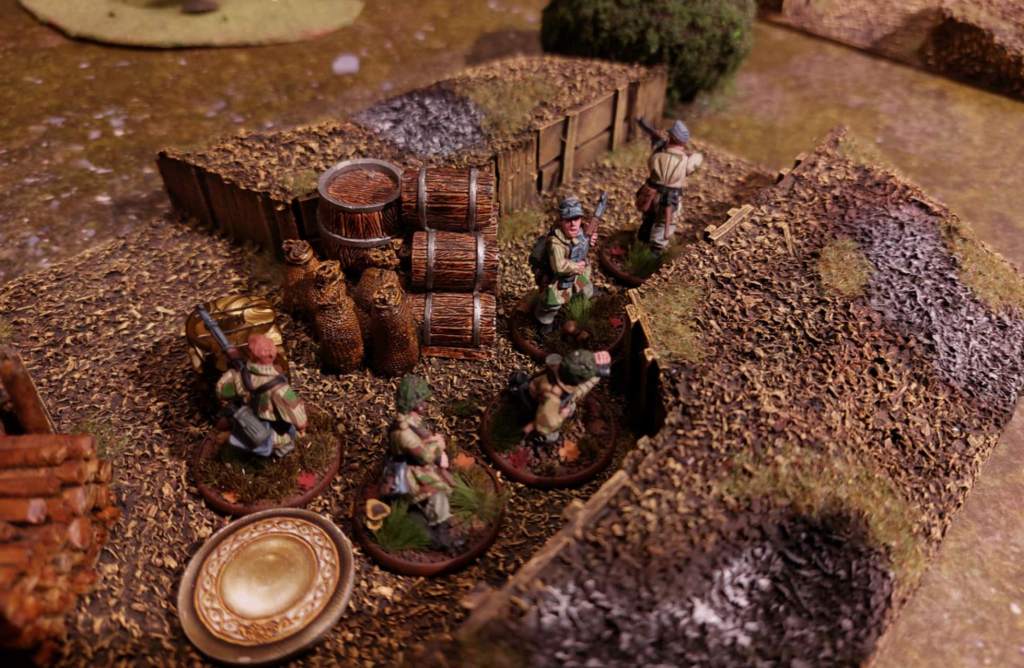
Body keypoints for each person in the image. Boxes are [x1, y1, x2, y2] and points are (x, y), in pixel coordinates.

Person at [215, 334, 307, 457]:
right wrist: (301, 428)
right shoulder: (282, 389)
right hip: (271, 433)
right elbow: (300, 420)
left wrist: (232, 373)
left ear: (251, 354)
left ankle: (236, 437)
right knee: (294, 435)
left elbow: (221, 391)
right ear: (273, 355)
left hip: (249, 421)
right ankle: (274, 448)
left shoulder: (238, 377)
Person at [386, 375, 453, 526]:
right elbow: (424, 456)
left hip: (413, 463)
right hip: (407, 473)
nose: (426, 404)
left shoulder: (411, 422)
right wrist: (439, 445)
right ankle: (438, 522)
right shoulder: (403, 432)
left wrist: (431, 441)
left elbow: (420, 439)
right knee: (437, 490)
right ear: (417, 404)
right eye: (423, 401)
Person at [532, 196, 598, 333]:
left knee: (585, 287)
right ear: (561, 221)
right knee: (552, 303)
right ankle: (545, 322)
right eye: (568, 220)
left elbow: (581, 246)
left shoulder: (581, 231)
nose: (573, 224)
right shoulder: (555, 243)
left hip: (579, 274)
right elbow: (559, 266)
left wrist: (589, 241)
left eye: (576, 219)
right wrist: (576, 266)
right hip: (558, 279)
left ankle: (583, 299)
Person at [637, 119, 703, 253]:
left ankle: (642, 242)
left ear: (670, 138)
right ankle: (654, 252)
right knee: (663, 224)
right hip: (671, 198)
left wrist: (659, 147)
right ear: (683, 142)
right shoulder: (686, 161)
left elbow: (651, 163)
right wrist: (692, 155)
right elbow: (695, 162)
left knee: (649, 218)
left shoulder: (656, 156)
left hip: (651, 195)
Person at [523, 349, 611, 445]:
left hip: (536, 391)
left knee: (571, 406)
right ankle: (534, 438)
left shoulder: (555, 367)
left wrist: (593, 365)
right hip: (537, 406)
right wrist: (562, 415)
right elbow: (546, 424)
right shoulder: (554, 397)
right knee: (552, 437)